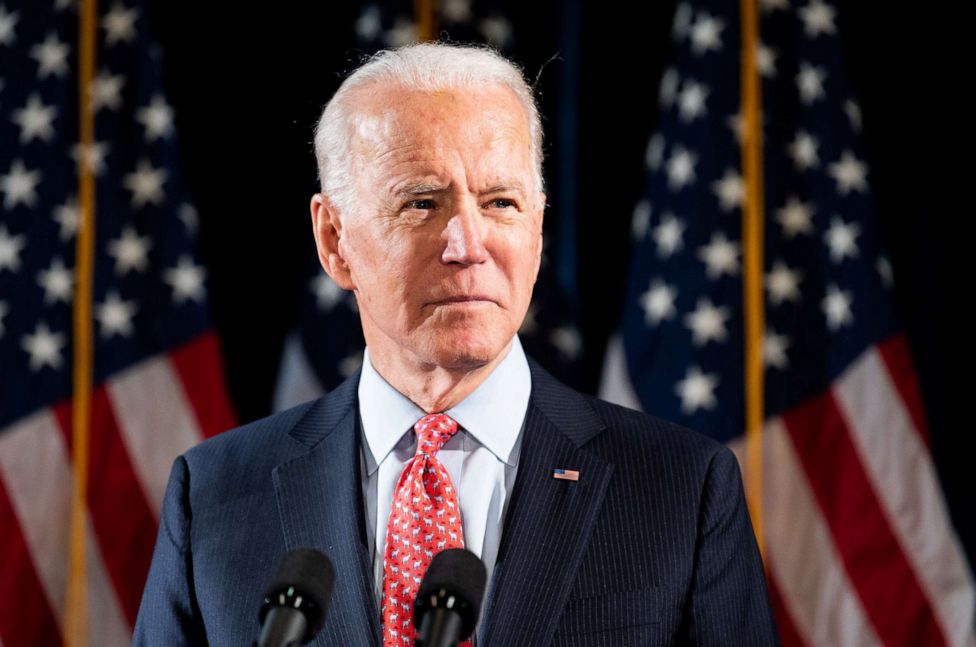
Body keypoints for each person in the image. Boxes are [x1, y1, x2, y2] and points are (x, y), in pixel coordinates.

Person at [134, 42, 778, 646]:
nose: (469, 246)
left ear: (538, 229)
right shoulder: (216, 495)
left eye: (500, 203)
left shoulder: (681, 490)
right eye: (420, 203)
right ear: (335, 241)